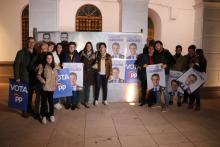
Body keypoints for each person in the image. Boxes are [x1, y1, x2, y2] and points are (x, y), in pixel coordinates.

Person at [13, 37, 36, 117]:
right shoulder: (21, 52)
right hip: (24, 77)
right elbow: (16, 65)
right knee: (24, 94)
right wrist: (17, 77)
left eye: (33, 42)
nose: (31, 44)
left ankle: (29, 108)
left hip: (33, 78)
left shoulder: (36, 52)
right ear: (27, 43)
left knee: (30, 94)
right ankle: (24, 110)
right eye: (30, 42)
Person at [37, 52, 57, 124]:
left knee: (51, 102)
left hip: (52, 88)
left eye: (50, 58)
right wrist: (43, 81)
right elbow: (38, 75)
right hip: (44, 87)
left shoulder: (55, 66)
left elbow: (56, 75)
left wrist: (56, 82)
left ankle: (51, 115)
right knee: (44, 102)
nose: (49, 59)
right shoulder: (42, 66)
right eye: (47, 58)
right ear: (45, 59)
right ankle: (43, 115)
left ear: (52, 58)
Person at [153, 40, 175, 106]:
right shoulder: (155, 53)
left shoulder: (166, 52)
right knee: (157, 88)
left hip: (165, 73)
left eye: (158, 45)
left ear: (161, 45)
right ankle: (158, 102)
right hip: (157, 73)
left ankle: (166, 103)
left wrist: (166, 65)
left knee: (164, 88)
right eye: (156, 46)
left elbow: (173, 61)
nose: (157, 47)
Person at [80, 42, 96, 108]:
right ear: (85, 46)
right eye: (87, 46)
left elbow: (96, 63)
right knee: (81, 87)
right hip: (83, 72)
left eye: (89, 46)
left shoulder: (94, 54)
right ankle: (80, 101)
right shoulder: (82, 53)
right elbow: (78, 60)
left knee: (88, 88)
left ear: (91, 47)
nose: (88, 47)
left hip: (90, 73)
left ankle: (86, 101)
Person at [52, 43, 64, 110]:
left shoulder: (62, 55)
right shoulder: (53, 54)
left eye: (60, 47)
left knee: (58, 87)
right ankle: (55, 103)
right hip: (54, 73)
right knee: (55, 88)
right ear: (56, 48)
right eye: (58, 47)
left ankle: (57, 102)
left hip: (60, 73)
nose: (59, 49)